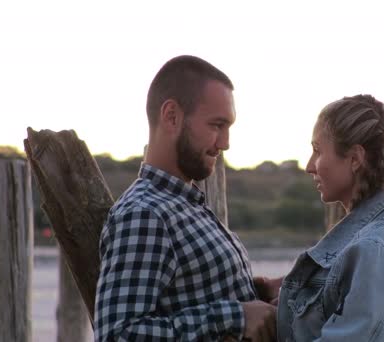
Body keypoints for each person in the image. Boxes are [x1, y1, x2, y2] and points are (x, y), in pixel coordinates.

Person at [94, 55, 276, 341]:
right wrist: (236, 317)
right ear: (172, 116)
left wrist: (260, 292)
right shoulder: (145, 213)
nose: (225, 143)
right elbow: (117, 334)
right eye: (217, 125)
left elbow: (187, 293)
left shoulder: (185, 203)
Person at [272, 94, 384, 341]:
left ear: (355, 159)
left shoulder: (375, 248)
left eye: (317, 151)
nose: (309, 166)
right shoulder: (376, 239)